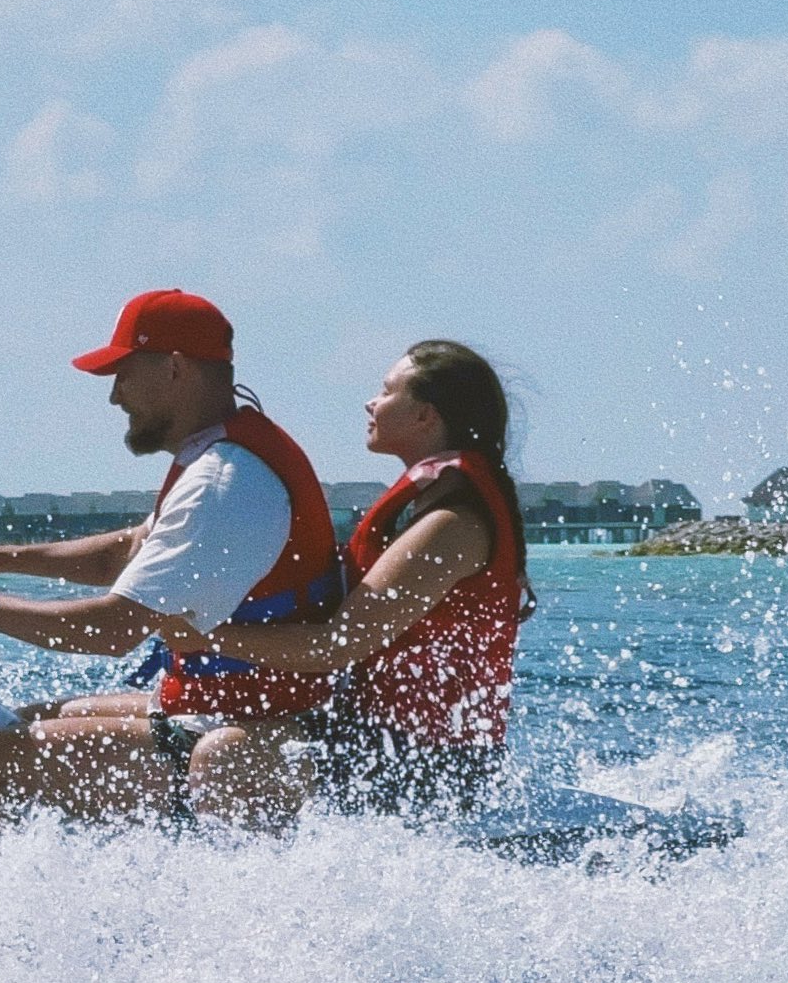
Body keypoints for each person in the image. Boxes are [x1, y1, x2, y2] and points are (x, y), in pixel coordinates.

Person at [0, 289, 340, 840]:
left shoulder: (222, 482)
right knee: (16, 720)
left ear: (175, 369)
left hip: (245, 728)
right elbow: (128, 552)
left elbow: (113, 630)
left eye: (124, 374)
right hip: (215, 706)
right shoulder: (221, 453)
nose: (115, 396)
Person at [188, 339, 536, 823]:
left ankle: (249, 872)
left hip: (435, 767)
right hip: (374, 737)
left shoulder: (452, 526)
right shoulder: (429, 510)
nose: (371, 402)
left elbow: (334, 647)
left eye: (387, 391)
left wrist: (202, 636)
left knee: (228, 755)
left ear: (425, 416)